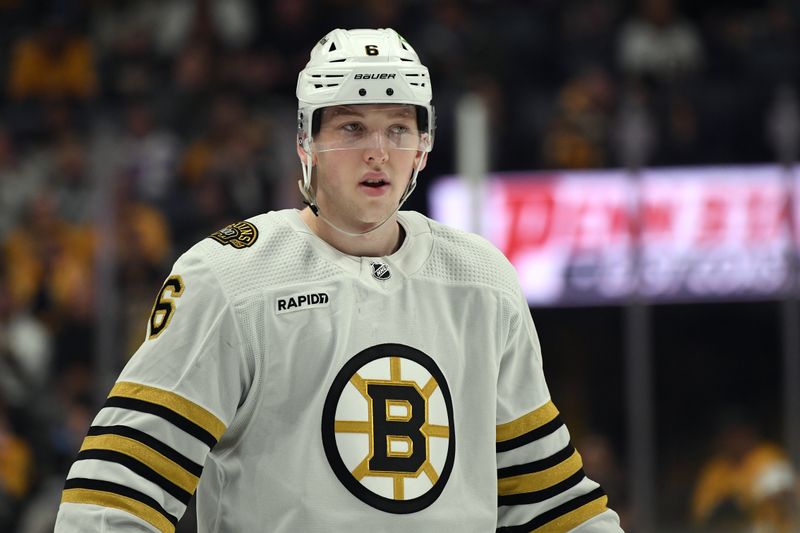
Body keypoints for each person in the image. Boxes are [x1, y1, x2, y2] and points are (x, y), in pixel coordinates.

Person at [54, 28, 623, 532]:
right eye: (352, 128)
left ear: (422, 147)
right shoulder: (229, 277)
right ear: (307, 144)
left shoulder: (481, 280)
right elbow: (117, 489)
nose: (378, 153)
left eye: (398, 129)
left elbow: (548, 500)